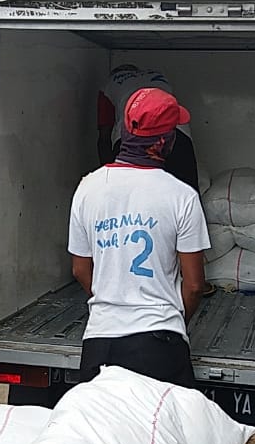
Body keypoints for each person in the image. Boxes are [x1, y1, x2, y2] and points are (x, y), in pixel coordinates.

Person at [64, 87, 209, 394]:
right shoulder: (181, 196)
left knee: (103, 439)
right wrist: (172, 315)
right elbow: (195, 286)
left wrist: (112, 297)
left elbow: (80, 269)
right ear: (163, 142)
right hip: (158, 344)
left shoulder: (88, 188)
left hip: (98, 344)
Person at [97, 64, 200, 191]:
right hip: (176, 131)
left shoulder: (109, 84)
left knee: (133, 193)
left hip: (135, 136)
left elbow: (104, 136)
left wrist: (105, 178)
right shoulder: (158, 75)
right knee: (187, 189)